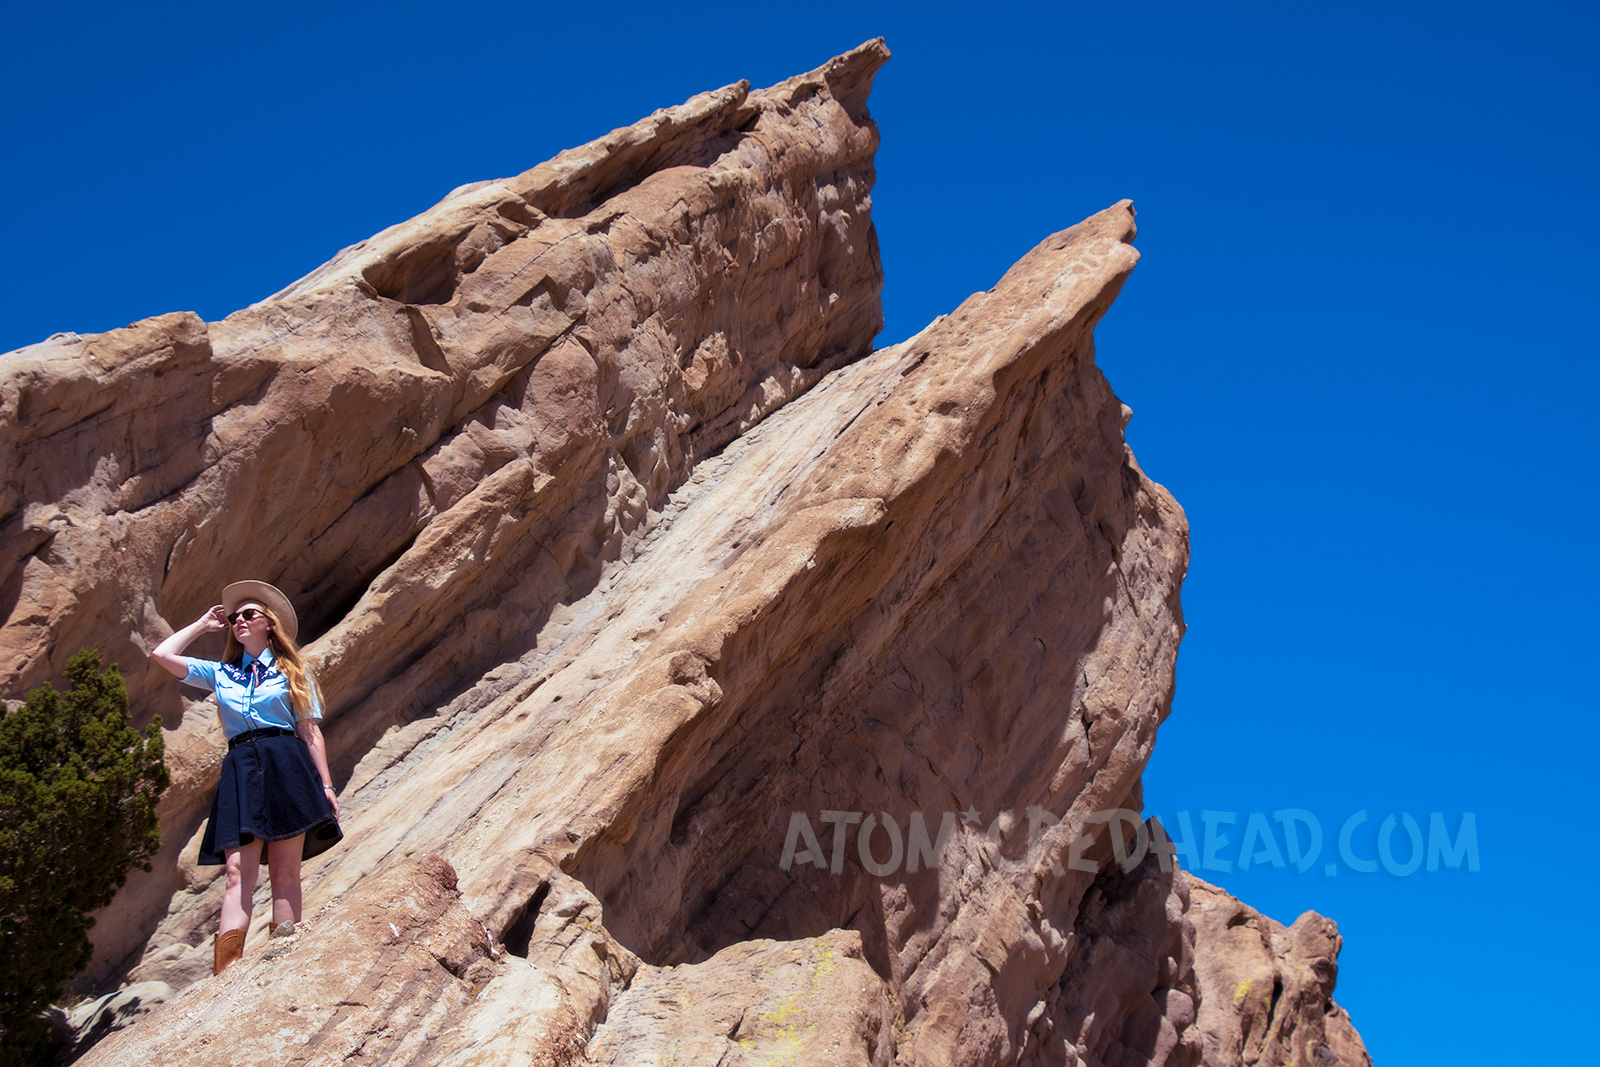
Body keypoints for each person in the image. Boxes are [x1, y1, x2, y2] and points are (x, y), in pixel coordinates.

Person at [151, 580, 342, 975]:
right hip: (240, 764)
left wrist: (325, 784)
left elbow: (309, 730)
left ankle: (282, 958)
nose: (238, 620)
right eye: (234, 616)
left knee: (286, 868)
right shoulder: (221, 674)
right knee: (238, 871)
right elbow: (162, 653)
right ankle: (226, 972)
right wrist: (203, 625)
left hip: (286, 761)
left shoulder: (294, 671)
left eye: (248, 614)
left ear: (268, 624)